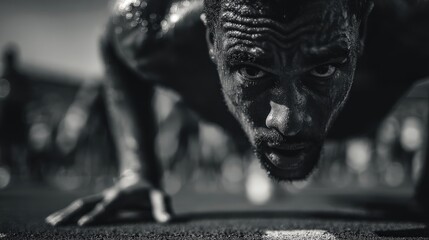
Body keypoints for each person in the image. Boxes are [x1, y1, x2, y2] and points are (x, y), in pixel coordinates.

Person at [46, 0, 429, 226]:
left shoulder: (408, 25)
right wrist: (138, 170)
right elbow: (113, 41)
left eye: (322, 68)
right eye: (251, 70)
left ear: (359, 30)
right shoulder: (156, 32)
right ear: (211, 39)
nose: (288, 120)